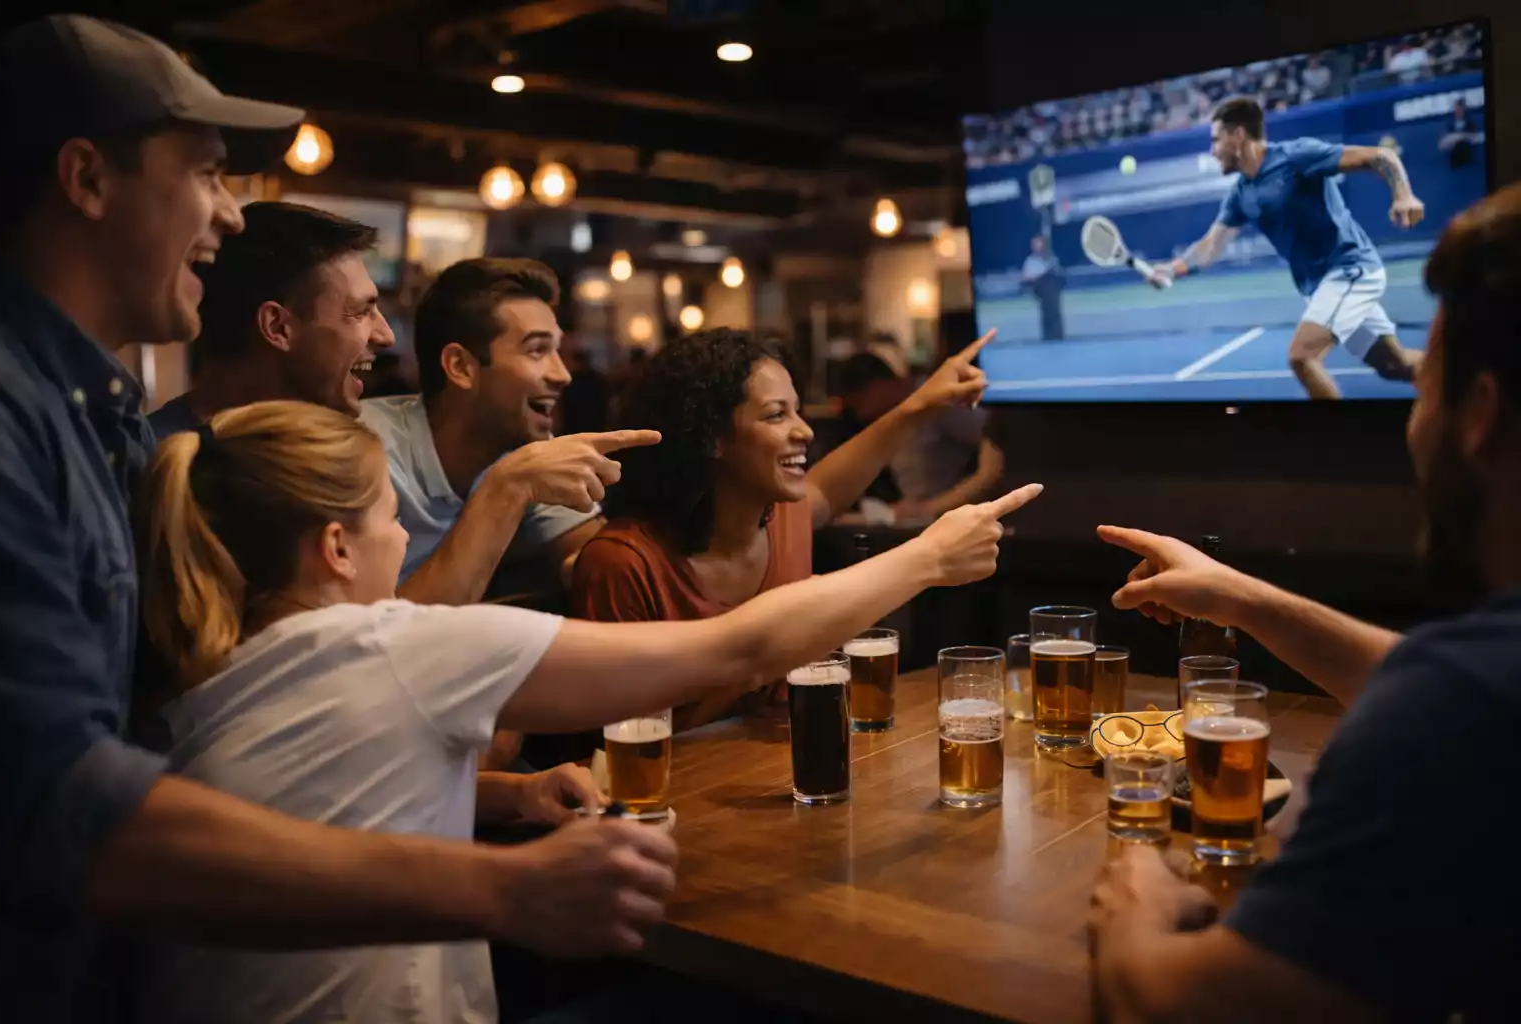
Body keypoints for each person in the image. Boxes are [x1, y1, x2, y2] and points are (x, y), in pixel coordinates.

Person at [0, 16, 676, 1022]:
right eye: (210, 174)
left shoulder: (102, 423)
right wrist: (500, 889)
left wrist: (500, 802)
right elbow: (54, 806)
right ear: (87, 179)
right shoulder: (9, 417)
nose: (227, 219)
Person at [130, 399, 1040, 1023]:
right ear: (335, 547)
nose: (406, 537)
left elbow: (316, 806)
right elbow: (737, 649)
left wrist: (503, 798)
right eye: (387, 519)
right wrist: (926, 558)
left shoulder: (198, 681)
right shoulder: (388, 644)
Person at [1091, 183, 1521, 1023]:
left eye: (1423, 381)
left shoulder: (1461, 708)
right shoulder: (1480, 687)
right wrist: (1238, 597)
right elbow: (1433, 681)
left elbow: (1172, 1005)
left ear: (1477, 415)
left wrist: (1137, 903)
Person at [572, 327, 1004, 728]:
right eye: (777, 415)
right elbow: (623, 739)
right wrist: (782, 646)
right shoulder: (623, 564)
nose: (806, 431)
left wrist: (921, 403)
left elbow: (830, 486)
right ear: (709, 437)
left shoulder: (783, 519)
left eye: (797, 411)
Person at [360, 258, 647, 608]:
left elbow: (600, 564)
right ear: (461, 367)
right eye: (538, 350)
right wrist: (506, 488)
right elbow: (374, 643)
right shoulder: (361, 451)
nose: (563, 375)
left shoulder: (518, 450)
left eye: (557, 350)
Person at [1153, 97, 1426, 399]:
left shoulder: (1296, 156)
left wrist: (1403, 195)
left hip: (1350, 271)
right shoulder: (1240, 193)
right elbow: (1210, 246)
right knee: (1393, 365)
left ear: (1238, 135)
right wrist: (1173, 268)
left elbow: (1380, 156)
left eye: (1216, 140)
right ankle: (1457, 382)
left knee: (1301, 356)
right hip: (1319, 289)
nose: (1212, 150)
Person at [147, 200, 396, 437]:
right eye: (362, 311)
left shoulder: (321, 458)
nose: (386, 336)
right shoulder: (154, 471)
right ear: (277, 327)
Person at [836, 352, 1005, 522]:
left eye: (861, 403)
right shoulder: (889, 417)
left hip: (952, 516)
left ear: (878, 387)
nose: (860, 413)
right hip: (914, 519)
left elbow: (995, 445)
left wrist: (931, 507)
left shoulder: (938, 399)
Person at [1021, 234, 1065, 340]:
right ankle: (1048, 336)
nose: (1039, 246)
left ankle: (1058, 335)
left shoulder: (1052, 259)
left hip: (1053, 291)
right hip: (1041, 291)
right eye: (1036, 244)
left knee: (1055, 313)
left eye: (1040, 243)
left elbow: (1059, 274)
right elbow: (1026, 278)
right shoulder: (1030, 261)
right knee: (1047, 315)